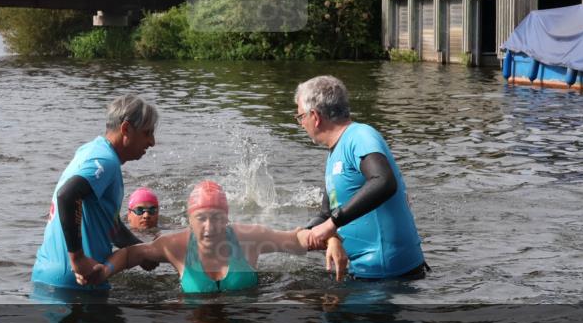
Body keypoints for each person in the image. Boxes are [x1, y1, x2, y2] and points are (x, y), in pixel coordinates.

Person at [80, 181, 349, 292]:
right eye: (201, 219)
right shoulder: (176, 245)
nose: (209, 227)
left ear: (227, 218)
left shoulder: (247, 237)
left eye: (217, 219)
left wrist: (333, 239)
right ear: (189, 220)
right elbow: (131, 254)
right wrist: (105, 270)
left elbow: (297, 239)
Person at [295, 75, 427, 279]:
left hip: (389, 276)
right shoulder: (334, 153)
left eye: (300, 117)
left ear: (315, 116)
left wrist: (331, 225)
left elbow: (383, 181)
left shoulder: (360, 136)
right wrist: (303, 234)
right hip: (362, 272)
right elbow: (326, 213)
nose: (301, 124)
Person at [31, 95, 159, 291]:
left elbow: (110, 226)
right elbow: (67, 195)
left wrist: (145, 252)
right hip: (76, 283)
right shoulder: (105, 161)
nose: (152, 142)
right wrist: (78, 258)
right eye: (147, 133)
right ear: (126, 129)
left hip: (47, 277)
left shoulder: (90, 151)